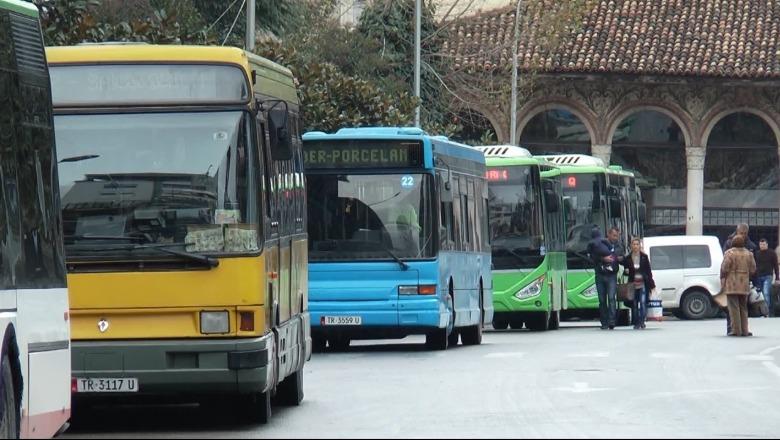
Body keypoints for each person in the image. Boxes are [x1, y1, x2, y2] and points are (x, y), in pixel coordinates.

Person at [721, 234, 757, 337]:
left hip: (732, 284)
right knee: (743, 307)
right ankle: (745, 330)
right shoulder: (749, 254)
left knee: (733, 308)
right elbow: (753, 269)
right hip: (744, 283)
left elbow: (724, 268)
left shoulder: (729, 253)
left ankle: (736, 330)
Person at [587, 227, 619, 330]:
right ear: (608, 234)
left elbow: (618, 255)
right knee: (601, 300)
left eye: (617, 236)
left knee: (611, 298)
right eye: (614, 235)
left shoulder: (618, 245)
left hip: (611, 276)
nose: (616, 238)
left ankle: (612, 321)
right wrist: (602, 259)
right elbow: (590, 257)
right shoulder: (597, 244)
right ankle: (604, 322)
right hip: (600, 275)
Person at [623, 238, 656, 330]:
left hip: (642, 283)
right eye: (634, 244)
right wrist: (626, 271)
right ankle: (636, 322)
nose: (635, 246)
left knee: (642, 302)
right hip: (632, 283)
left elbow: (648, 271)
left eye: (637, 244)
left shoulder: (644, 257)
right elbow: (625, 270)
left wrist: (652, 285)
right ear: (631, 246)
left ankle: (642, 321)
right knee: (634, 303)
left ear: (640, 246)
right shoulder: (628, 258)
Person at [756, 238, 779, 317]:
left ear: (767, 244)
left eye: (763, 244)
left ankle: (767, 312)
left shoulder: (772, 253)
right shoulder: (757, 253)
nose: (762, 246)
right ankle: (764, 311)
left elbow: (776, 266)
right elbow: (755, 266)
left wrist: (777, 278)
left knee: (766, 293)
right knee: (761, 294)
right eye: (760, 245)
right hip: (759, 276)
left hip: (768, 276)